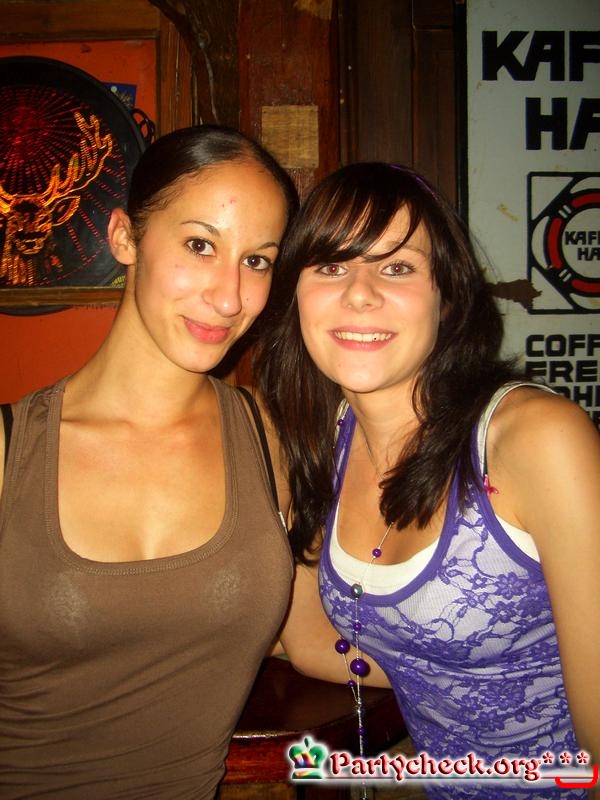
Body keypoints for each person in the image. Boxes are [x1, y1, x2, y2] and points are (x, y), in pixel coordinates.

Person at [255, 162, 600, 799]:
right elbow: (311, 643)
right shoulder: (316, 441)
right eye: (331, 265)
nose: (360, 294)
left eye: (396, 267)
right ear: (293, 295)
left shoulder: (535, 440)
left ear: (447, 296)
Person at [0, 125, 298, 799]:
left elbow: (309, 636)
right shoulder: (12, 451)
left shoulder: (264, 436)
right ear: (124, 238)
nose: (230, 297)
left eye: (257, 260)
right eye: (200, 245)